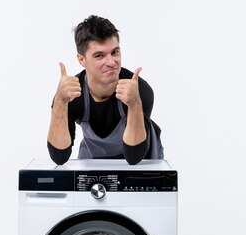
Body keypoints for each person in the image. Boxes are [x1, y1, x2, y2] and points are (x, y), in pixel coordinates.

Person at [47, 15, 163, 165]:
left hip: (143, 156)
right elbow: (59, 157)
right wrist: (60, 102)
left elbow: (134, 158)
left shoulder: (139, 90)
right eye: (99, 55)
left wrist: (135, 104)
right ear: (82, 59)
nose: (111, 62)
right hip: (94, 158)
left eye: (115, 52)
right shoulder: (71, 94)